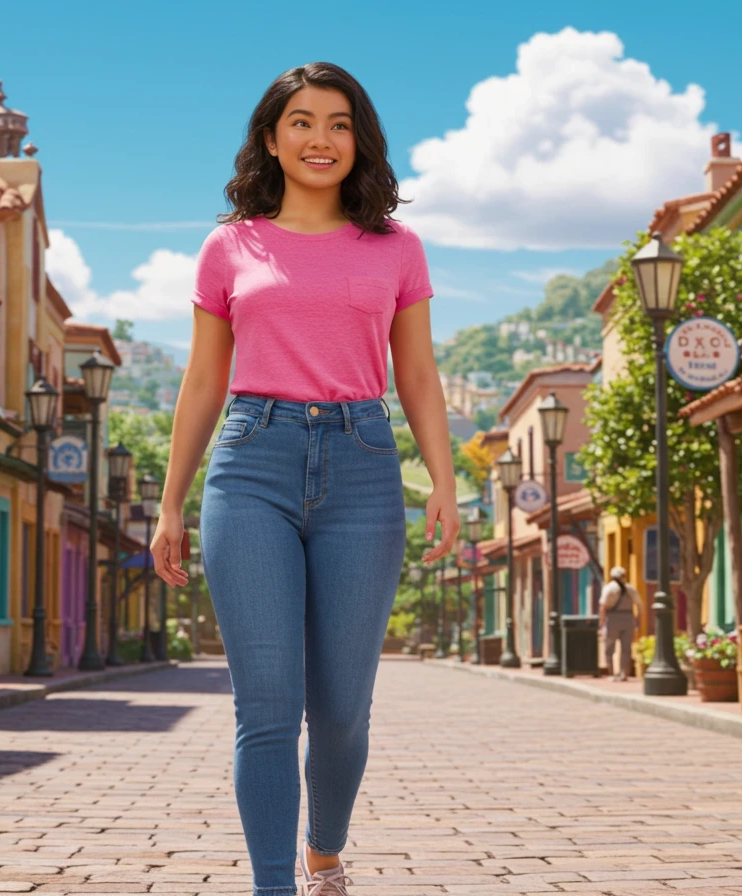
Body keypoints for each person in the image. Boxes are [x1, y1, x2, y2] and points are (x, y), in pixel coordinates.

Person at [147, 62, 458, 896]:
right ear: (272, 139)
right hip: (251, 464)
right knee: (268, 709)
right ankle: (274, 886)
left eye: (339, 124)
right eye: (302, 122)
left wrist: (445, 482)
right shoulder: (230, 245)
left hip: (362, 464)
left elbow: (419, 376)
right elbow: (204, 380)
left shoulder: (397, 247)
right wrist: (170, 501)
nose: (320, 139)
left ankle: (325, 846)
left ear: (360, 142)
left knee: (344, 710)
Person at [599, 566, 639, 681]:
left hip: (612, 619)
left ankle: (611, 673)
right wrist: (637, 620)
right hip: (628, 618)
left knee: (609, 647)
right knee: (626, 648)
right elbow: (640, 605)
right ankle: (623, 674)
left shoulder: (609, 588)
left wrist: (601, 622)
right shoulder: (630, 589)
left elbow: (603, 606)